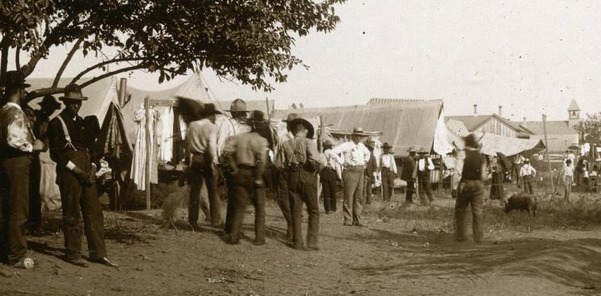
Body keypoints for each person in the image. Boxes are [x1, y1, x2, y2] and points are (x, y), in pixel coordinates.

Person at [47, 84, 117, 267]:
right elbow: (57, 155)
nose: (75, 106)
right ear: (65, 102)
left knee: (94, 212)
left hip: (87, 171)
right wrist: (77, 171)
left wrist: (93, 168)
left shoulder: (84, 122)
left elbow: (93, 150)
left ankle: (98, 253)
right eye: (72, 102)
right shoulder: (56, 123)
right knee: (72, 213)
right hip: (70, 173)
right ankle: (73, 253)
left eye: (78, 103)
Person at [0, 71, 43, 268]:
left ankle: (8, 249)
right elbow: (13, 139)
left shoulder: (3, 111)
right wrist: (32, 147)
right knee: (19, 207)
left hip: (7, 163)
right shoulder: (16, 113)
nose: (25, 92)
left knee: (8, 207)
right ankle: (16, 255)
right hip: (17, 163)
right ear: (18, 90)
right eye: (24, 88)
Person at [276, 117, 324, 250]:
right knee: (313, 210)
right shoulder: (309, 142)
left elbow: (279, 164)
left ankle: (297, 243)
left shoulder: (285, 144)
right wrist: (318, 168)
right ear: (305, 131)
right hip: (307, 176)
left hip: (292, 177)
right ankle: (312, 241)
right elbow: (316, 160)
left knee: (295, 211)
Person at [224, 111, 269, 245]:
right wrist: (259, 177)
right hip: (254, 173)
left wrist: (234, 168)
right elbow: (263, 161)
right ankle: (259, 238)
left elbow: (226, 153)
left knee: (239, 207)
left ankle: (233, 237)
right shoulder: (261, 141)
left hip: (240, 173)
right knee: (260, 208)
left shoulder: (239, 138)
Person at [27, 95, 61, 234]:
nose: (51, 110)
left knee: (35, 190)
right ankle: (31, 223)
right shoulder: (35, 117)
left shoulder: (46, 120)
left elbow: (45, 144)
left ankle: (34, 223)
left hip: (36, 155)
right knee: (31, 190)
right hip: (30, 153)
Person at [185, 104, 222, 229]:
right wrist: (212, 163)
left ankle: (192, 220)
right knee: (213, 190)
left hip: (195, 157)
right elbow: (212, 146)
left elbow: (188, 143)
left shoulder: (192, 125)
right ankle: (216, 221)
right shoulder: (211, 127)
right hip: (206, 158)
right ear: (211, 115)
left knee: (194, 191)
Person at [218, 99, 251, 236]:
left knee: (237, 196)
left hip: (238, 165)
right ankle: (231, 228)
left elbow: (220, 144)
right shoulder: (231, 125)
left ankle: (232, 228)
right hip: (235, 165)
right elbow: (220, 144)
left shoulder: (245, 127)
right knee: (235, 196)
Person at [331, 127, 370, 227]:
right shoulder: (346, 145)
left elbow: (368, 153)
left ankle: (358, 219)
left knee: (359, 196)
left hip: (360, 171)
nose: (358, 138)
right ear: (352, 136)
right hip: (350, 171)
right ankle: (348, 219)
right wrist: (342, 161)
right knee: (349, 196)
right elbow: (332, 152)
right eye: (357, 136)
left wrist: (365, 161)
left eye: (360, 136)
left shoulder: (361, 146)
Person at [455, 133, 488, 243]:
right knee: (478, 211)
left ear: (466, 142)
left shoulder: (462, 153)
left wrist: (455, 187)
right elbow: (484, 175)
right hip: (478, 184)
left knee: (460, 209)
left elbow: (458, 171)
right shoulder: (480, 155)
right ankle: (478, 238)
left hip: (466, 183)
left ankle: (460, 236)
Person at [273, 113, 300, 241]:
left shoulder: (298, 139)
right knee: (284, 199)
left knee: (290, 199)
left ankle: (293, 226)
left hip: (293, 171)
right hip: (284, 170)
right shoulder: (284, 138)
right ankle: (292, 224)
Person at [320, 139, 343, 214]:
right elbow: (337, 166)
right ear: (330, 146)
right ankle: (333, 208)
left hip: (324, 173)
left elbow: (320, 165)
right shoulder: (333, 154)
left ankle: (328, 209)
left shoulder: (322, 154)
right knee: (333, 191)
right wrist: (339, 177)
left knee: (326, 191)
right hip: (332, 173)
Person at [363, 139, 377, 205]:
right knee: (368, 189)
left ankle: (366, 201)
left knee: (365, 188)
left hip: (367, 174)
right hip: (368, 174)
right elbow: (375, 167)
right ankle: (368, 201)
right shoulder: (372, 157)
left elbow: (374, 167)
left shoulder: (370, 157)